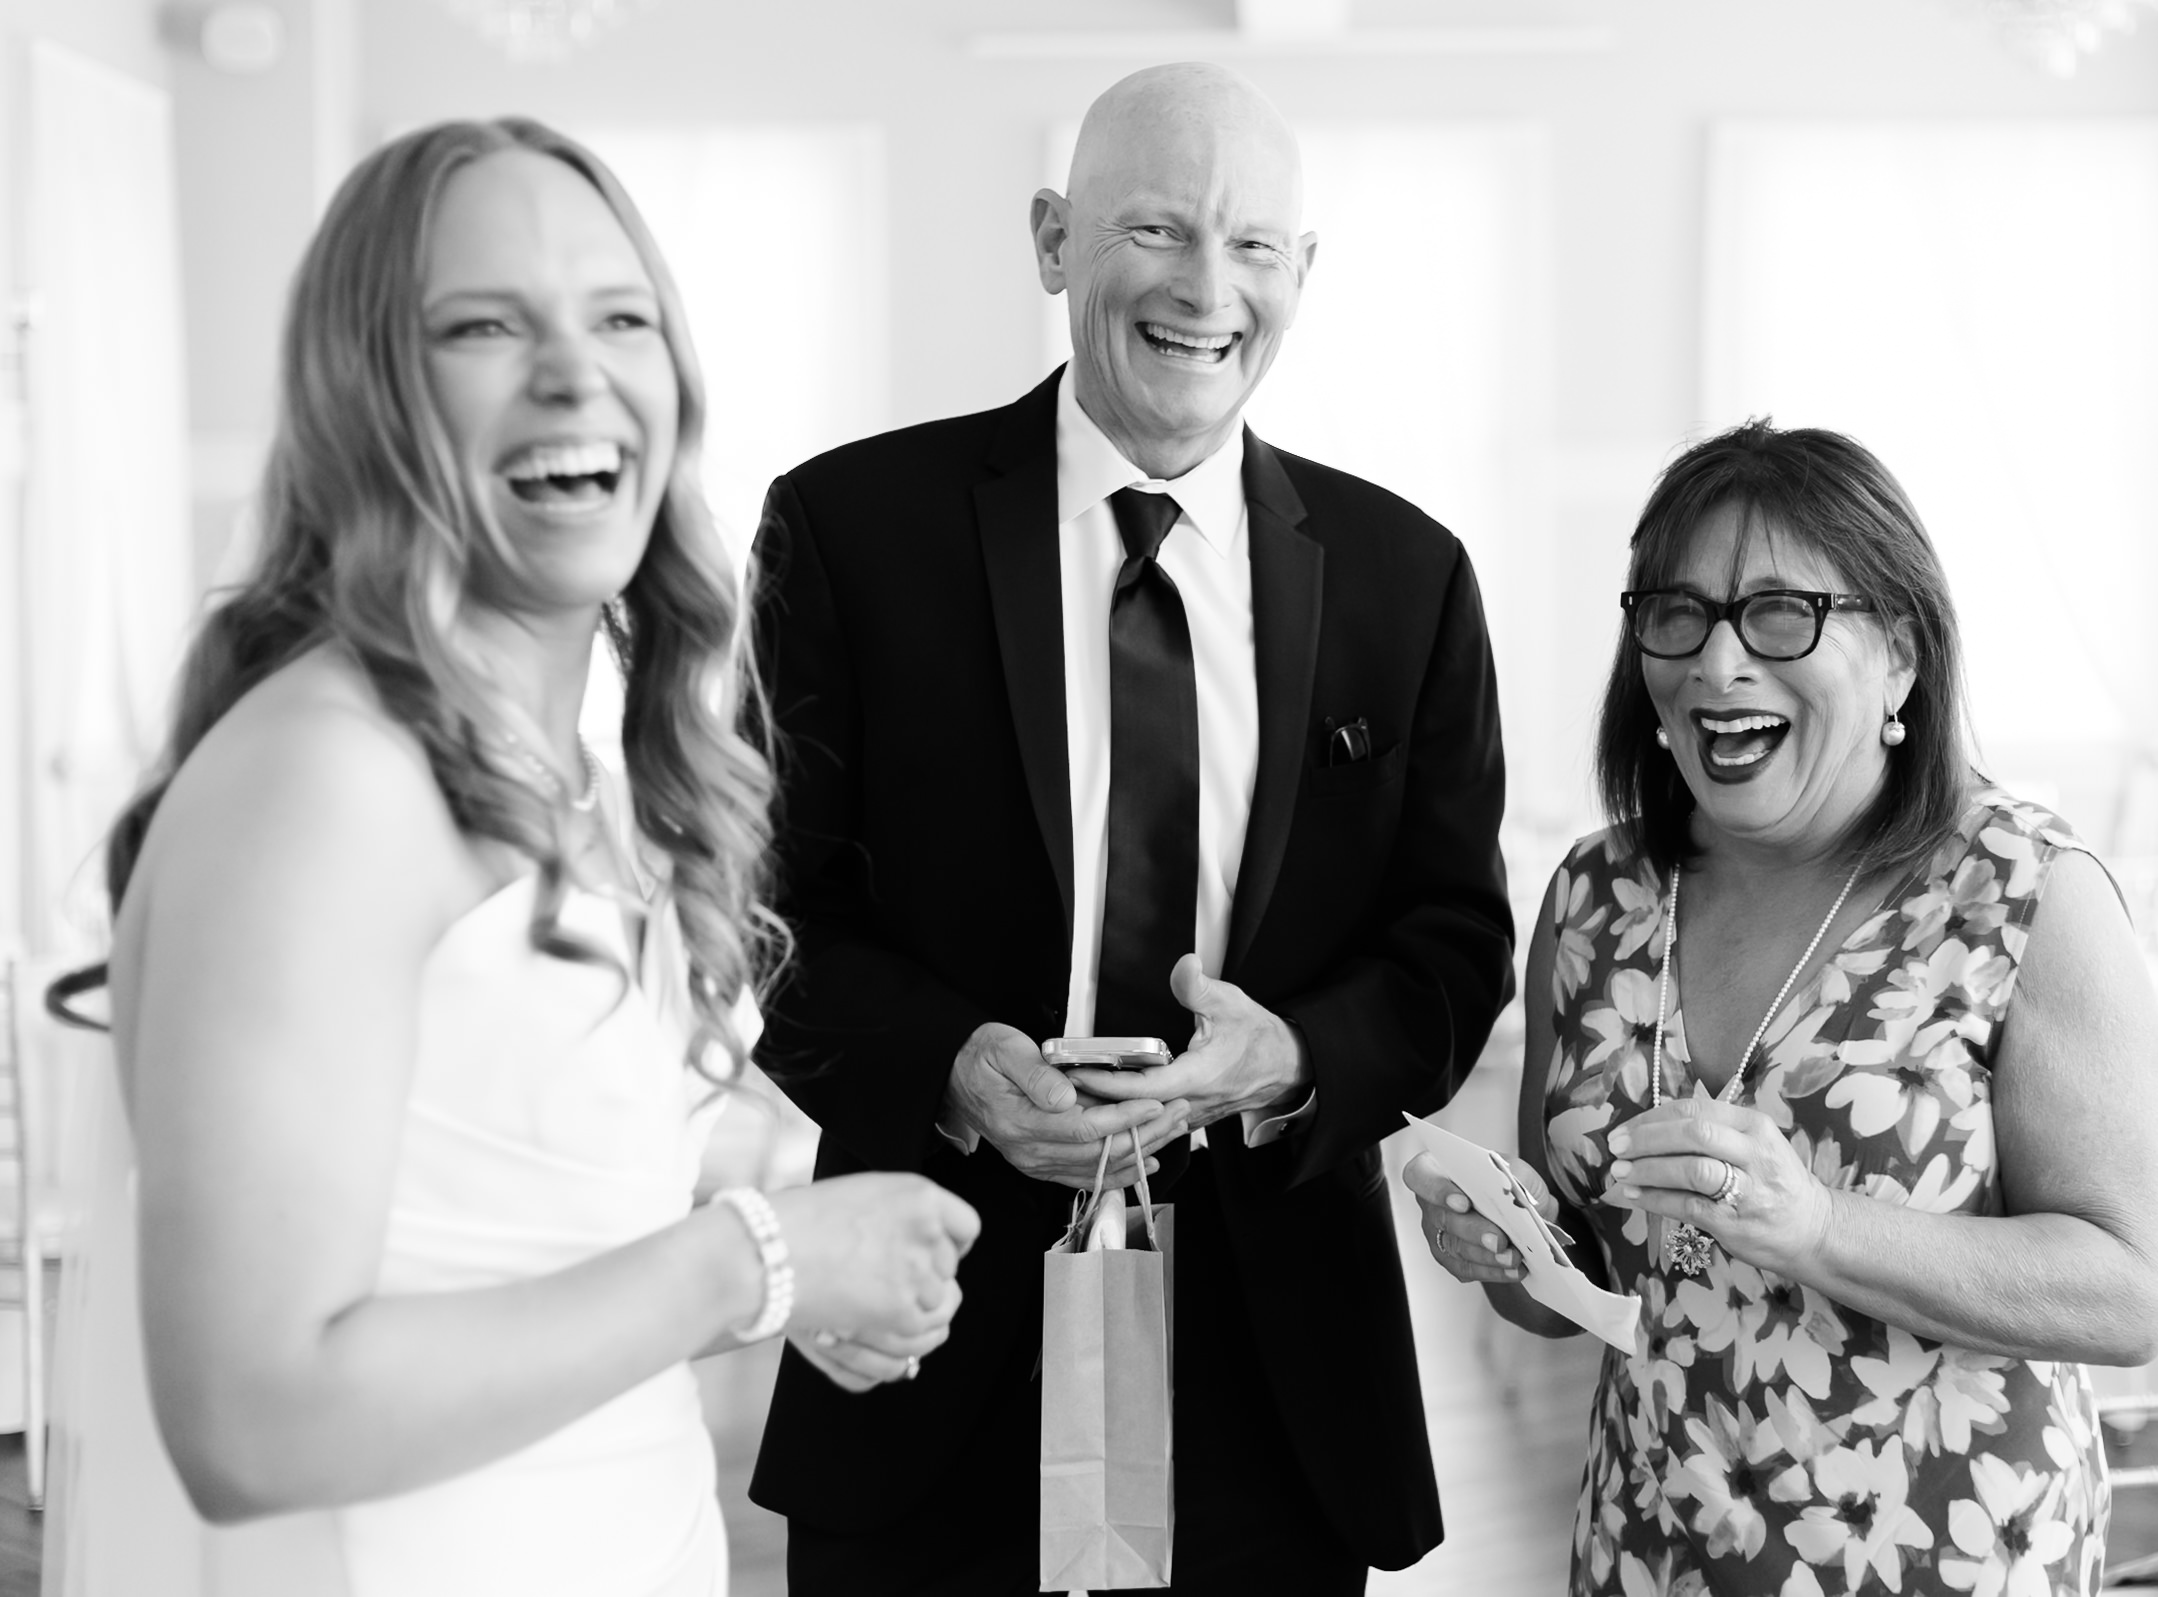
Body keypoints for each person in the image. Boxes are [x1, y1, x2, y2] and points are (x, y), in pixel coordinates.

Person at [51, 118, 979, 1595]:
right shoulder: (324, 779)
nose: (575, 372)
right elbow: (250, 1416)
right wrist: (761, 1260)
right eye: (484, 325)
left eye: (620, 317)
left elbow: (489, 1216)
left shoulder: (561, 762)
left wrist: (762, 1256)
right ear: (367, 393)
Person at [745, 62, 1513, 1597]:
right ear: (1052, 239)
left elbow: (1452, 947)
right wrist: (956, 1064)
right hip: (928, 1309)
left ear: (1304, 275)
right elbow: (758, 916)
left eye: (1251, 247)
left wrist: (1290, 1057)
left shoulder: (1403, 576)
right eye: (1153, 229)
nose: (1204, 289)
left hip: (1273, 1348)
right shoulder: (847, 532)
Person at [1404, 422, 2158, 1597]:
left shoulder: (2026, 893)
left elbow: (2123, 1292)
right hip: (1648, 1547)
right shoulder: (1594, 896)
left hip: (1946, 1554)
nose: (1716, 665)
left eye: (1780, 613)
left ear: (1900, 657)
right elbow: (1586, 1288)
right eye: (1677, 613)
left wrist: (1816, 1224)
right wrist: (1504, 1252)